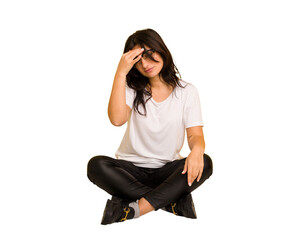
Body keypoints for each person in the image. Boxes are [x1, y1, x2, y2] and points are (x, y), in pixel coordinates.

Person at [87, 28, 213, 225]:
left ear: (160, 49)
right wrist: (120, 72)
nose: (145, 64)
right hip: (130, 171)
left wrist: (197, 149)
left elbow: (194, 135)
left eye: (148, 55)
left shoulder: (187, 91)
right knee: (96, 165)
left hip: (169, 170)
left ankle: (133, 209)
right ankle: (169, 200)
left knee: (205, 162)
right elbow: (117, 120)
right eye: (137, 60)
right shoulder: (131, 88)